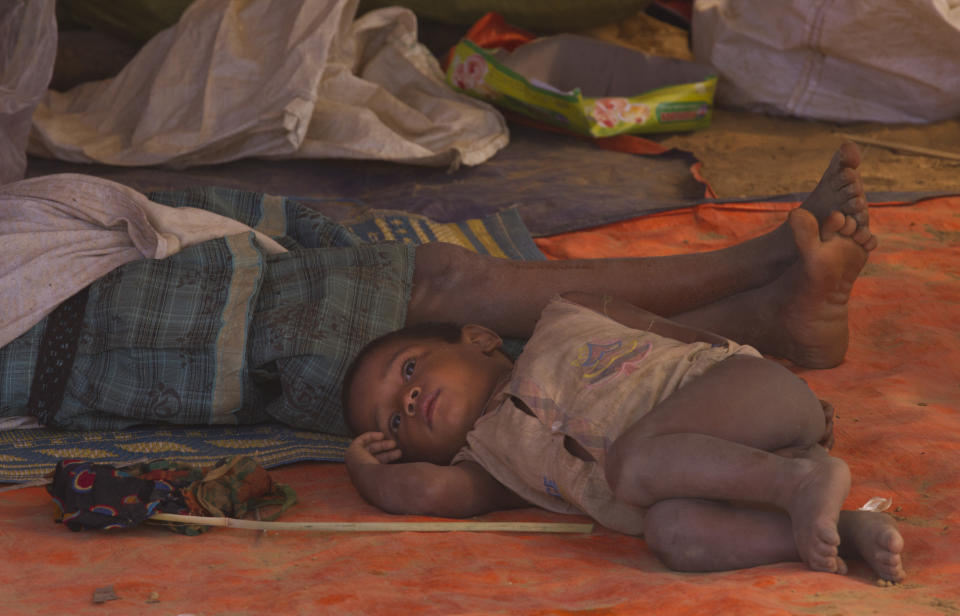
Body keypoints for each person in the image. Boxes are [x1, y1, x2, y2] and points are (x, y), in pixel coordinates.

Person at [1, 143, 872, 434]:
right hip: (237, 339)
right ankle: (763, 300)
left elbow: (105, 215)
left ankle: (764, 289)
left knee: (487, 318)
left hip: (220, 289)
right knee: (517, 352)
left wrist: (289, 226)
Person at [340, 206, 905, 582]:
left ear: (480, 337)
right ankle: (843, 531)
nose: (407, 401)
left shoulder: (564, 312)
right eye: (392, 422)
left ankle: (802, 480)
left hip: (741, 394)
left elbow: (678, 333)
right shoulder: (489, 463)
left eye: (409, 369)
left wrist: (780, 387)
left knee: (633, 467)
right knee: (672, 535)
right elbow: (429, 493)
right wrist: (366, 471)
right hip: (729, 480)